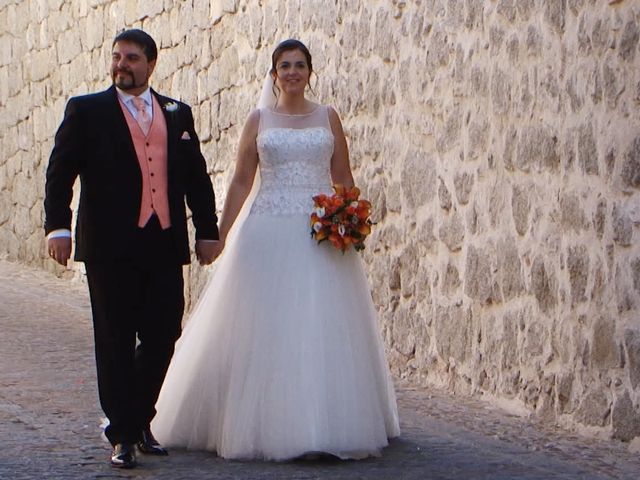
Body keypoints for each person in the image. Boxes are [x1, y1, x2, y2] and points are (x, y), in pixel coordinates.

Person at [151, 39, 400, 461]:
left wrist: (350, 217)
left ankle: (322, 422)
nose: (292, 72)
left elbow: (342, 174)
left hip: (319, 232)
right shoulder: (259, 119)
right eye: (284, 65)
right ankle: (262, 421)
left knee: (318, 321)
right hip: (267, 226)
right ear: (273, 74)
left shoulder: (328, 117)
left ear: (310, 72)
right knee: (266, 321)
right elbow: (241, 181)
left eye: (299, 65)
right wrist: (221, 233)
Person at [44, 29, 221, 469]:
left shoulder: (177, 113)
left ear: (151, 64)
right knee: (115, 338)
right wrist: (57, 227)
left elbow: (196, 177)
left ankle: (140, 417)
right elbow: (60, 171)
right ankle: (123, 432)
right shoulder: (87, 110)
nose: (122, 64)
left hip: (163, 240)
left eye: (132, 58)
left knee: (164, 334)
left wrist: (207, 230)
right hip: (108, 244)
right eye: (117, 57)